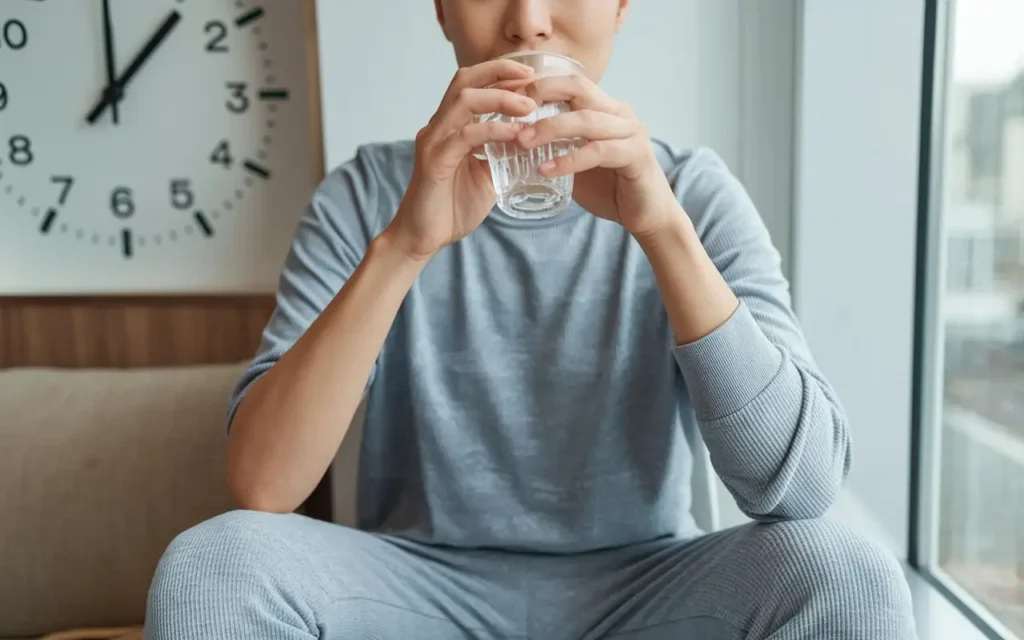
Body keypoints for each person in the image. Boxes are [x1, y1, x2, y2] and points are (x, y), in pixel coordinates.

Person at [145, 1, 917, 638]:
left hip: (648, 592)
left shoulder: (694, 194)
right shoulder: (366, 196)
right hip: (415, 592)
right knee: (212, 566)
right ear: (444, 11)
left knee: (852, 576)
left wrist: (661, 229)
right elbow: (263, 486)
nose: (528, 22)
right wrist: (406, 244)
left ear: (620, 7)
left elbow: (803, 488)